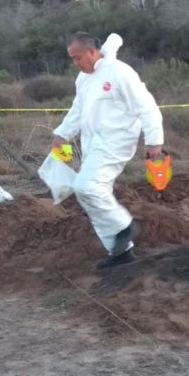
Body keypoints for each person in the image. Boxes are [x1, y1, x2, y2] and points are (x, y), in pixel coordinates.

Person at [52, 32, 164, 269]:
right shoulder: (83, 80)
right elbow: (77, 110)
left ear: (92, 51)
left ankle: (124, 227)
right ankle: (120, 251)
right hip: (92, 144)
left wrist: (154, 140)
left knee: (87, 187)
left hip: (117, 142)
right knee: (88, 194)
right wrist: (62, 134)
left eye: (77, 57)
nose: (75, 64)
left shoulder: (119, 72)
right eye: (71, 59)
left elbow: (147, 106)